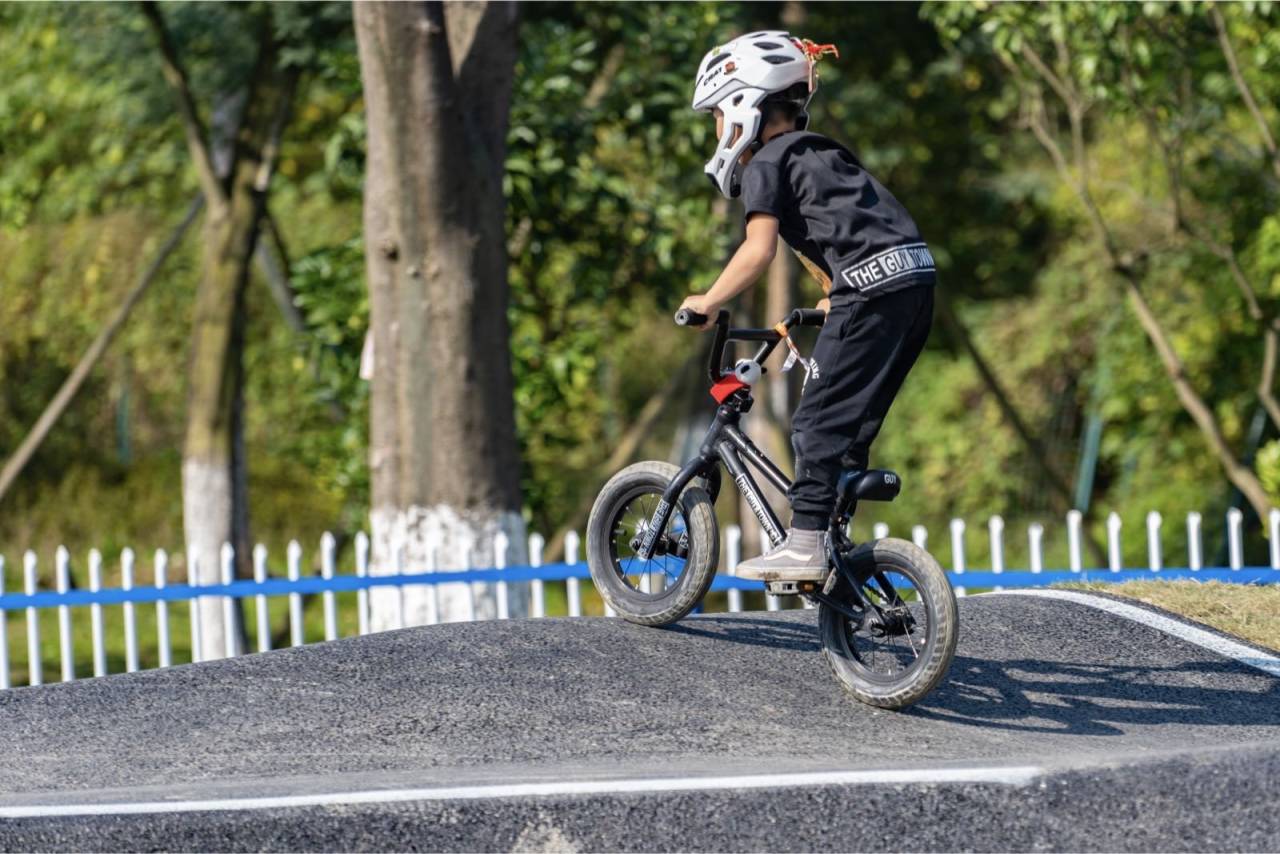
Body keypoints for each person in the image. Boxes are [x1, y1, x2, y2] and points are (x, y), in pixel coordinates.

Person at [679, 31, 936, 581]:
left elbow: (758, 251)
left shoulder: (766, 164)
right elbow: (853, 228)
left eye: (717, 117)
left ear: (744, 106)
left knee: (816, 422)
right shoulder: (823, 151)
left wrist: (708, 300)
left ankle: (805, 541)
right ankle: (832, 535)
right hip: (914, 283)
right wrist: (832, 292)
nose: (718, 132)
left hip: (869, 290)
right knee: (852, 425)